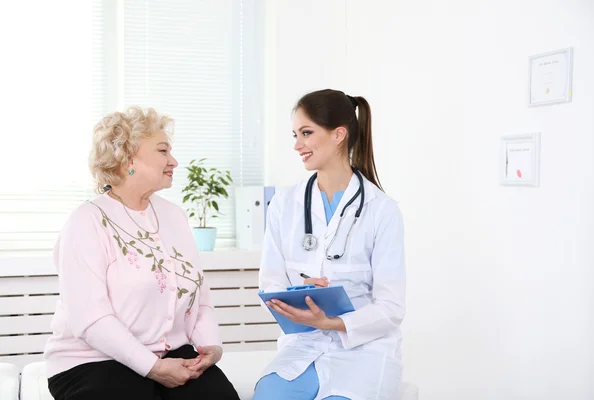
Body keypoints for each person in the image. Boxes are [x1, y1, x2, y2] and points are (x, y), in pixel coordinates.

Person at [43, 107, 240, 400]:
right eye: (163, 150)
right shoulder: (87, 221)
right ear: (126, 158)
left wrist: (210, 346)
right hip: (92, 361)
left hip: (172, 353)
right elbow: (90, 319)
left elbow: (200, 301)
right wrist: (153, 367)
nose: (173, 161)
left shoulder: (175, 217)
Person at [253, 89, 406, 400]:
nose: (297, 145)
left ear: (339, 135)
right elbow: (269, 283)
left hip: (364, 350)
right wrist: (301, 296)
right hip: (304, 345)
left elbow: (391, 307)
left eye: (306, 133)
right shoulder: (284, 204)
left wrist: (333, 321)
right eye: (295, 135)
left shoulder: (382, 210)